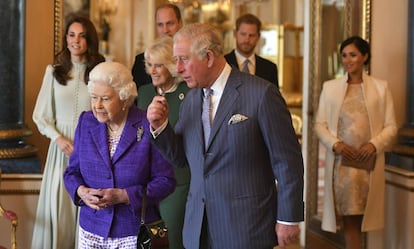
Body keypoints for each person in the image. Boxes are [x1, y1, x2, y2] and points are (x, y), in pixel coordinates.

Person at [147, 23, 304, 249]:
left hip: (246, 227)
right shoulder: (190, 100)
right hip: (197, 228)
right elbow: (182, 158)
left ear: (209, 57)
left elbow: (288, 162)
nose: (178, 68)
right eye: (176, 60)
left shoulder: (262, 94)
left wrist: (288, 218)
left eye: (183, 59)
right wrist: (160, 127)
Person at [63, 61, 176, 248]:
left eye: (105, 98)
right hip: (91, 230)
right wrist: (80, 191)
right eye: (94, 97)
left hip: (133, 232)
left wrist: (125, 196)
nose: (97, 105)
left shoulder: (146, 124)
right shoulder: (86, 121)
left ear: (124, 98)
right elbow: (72, 172)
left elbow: (166, 181)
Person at [314, 36, 397, 249]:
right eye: (344, 55)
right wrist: (336, 144)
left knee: (365, 219)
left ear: (364, 56)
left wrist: (374, 145)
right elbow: (320, 125)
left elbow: (391, 126)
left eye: (353, 55)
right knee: (350, 219)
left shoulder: (381, 88)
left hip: (369, 165)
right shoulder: (330, 88)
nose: (348, 60)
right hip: (342, 167)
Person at [31, 15, 105, 249]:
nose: (76, 40)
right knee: (60, 207)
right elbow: (40, 115)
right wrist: (58, 138)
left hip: (91, 150)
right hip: (60, 151)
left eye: (82, 36)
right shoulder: (53, 72)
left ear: (89, 40)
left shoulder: (99, 72)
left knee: (85, 207)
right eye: (71, 35)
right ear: (65, 38)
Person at [137, 36, 190, 249]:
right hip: (147, 184)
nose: (153, 71)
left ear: (171, 65)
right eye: (150, 65)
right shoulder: (144, 93)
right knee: (150, 242)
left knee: (174, 241)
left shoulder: (188, 93)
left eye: (159, 65)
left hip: (178, 181)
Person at [131, 3, 183, 90]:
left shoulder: (189, 59)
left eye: (170, 23)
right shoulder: (141, 61)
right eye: (160, 25)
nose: (165, 30)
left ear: (180, 23)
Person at [225, 13, 279, 88]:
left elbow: (273, 98)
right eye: (243, 34)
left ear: (258, 36)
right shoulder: (223, 63)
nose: (247, 40)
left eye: (252, 35)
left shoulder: (270, 68)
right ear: (235, 34)